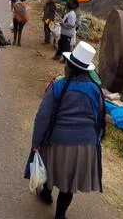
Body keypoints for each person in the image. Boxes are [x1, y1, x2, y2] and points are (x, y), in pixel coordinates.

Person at [30, 42, 106, 219]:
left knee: (49, 165)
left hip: (58, 142)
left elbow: (43, 116)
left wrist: (36, 143)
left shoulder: (58, 86)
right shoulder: (96, 90)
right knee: (69, 183)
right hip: (86, 146)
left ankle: (46, 194)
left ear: (70, 66)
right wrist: (96, 142)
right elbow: (100, 119)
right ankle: (60, 215)